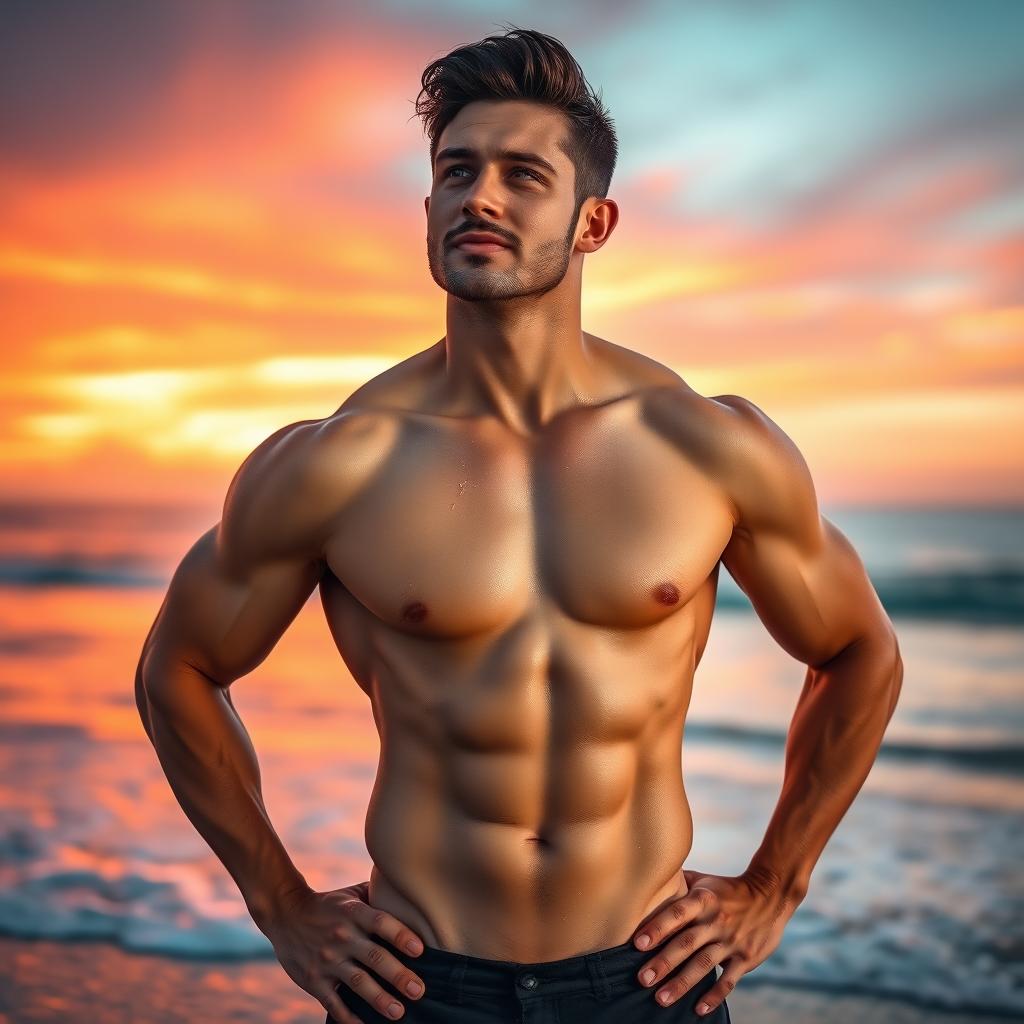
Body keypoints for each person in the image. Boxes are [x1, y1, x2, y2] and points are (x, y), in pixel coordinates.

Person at [134, 25, 903, 1024]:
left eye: (521, 174)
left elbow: (857, 651)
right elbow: (177, 669)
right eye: (456, 171)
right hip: (417, 985)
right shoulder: (339, 460)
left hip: (648, 979)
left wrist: (772, 887)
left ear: (593, 222)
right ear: (427, 208)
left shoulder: (703, 447)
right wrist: (281, 904)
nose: (479, 196)